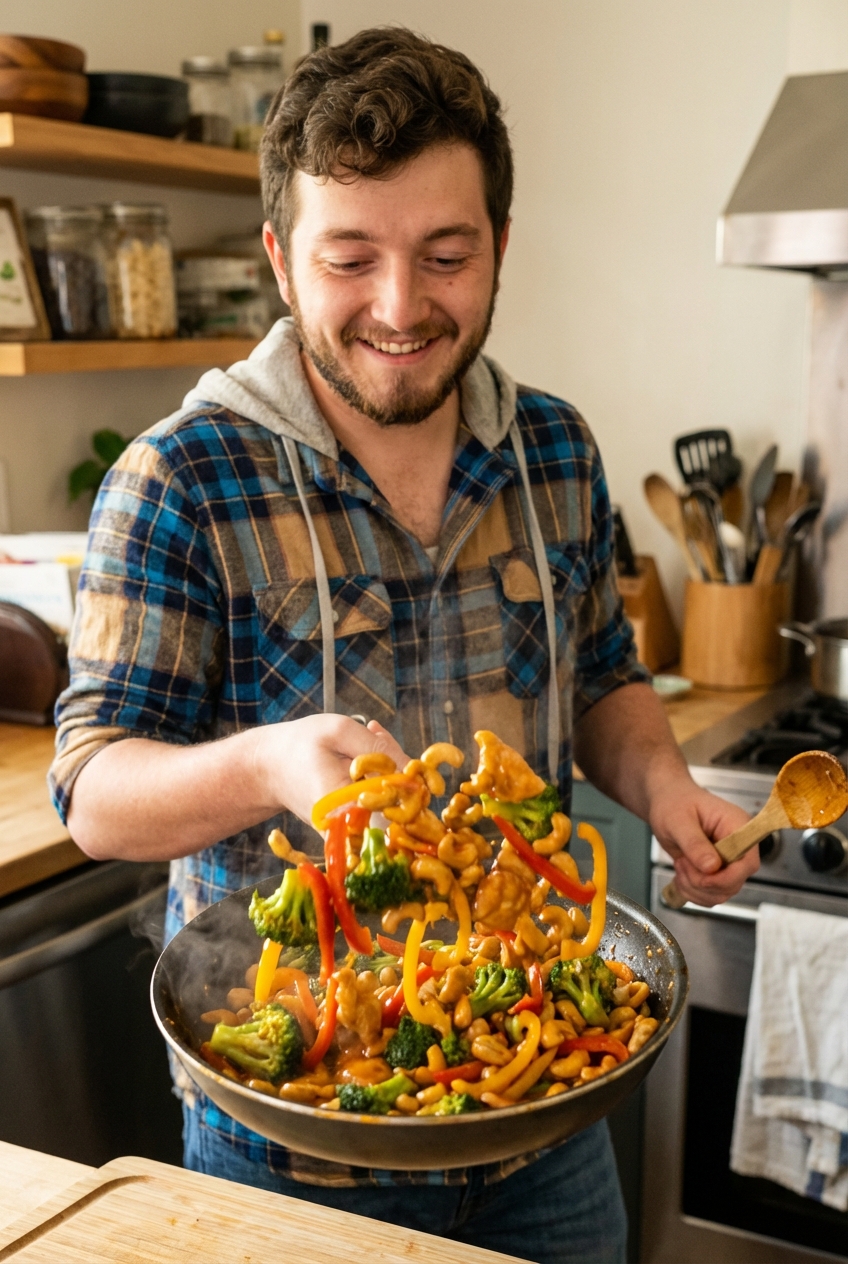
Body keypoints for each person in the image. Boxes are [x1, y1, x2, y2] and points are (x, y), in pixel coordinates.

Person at [50, 27, 758, 1264]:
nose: (400, 307)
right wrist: (271, 765)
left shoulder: (554, 449)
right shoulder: (179, 478)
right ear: (280, 259)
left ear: (497, 247)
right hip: (295, 1140)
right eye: (349, 259)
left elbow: (601, 679)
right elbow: (93, 793)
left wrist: (662, 788)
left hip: (546, 1112)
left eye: (445, 254)